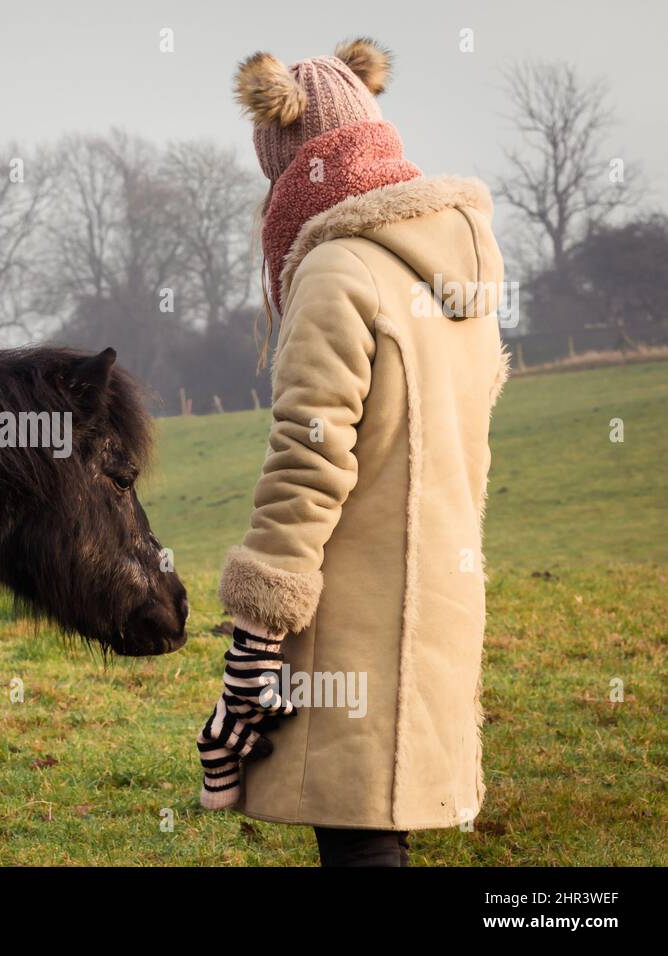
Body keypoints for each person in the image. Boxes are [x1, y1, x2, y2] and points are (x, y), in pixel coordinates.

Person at [195, 38, 512, 867]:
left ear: (288, 160)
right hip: (441, 593)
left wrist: (256, 632)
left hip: (357, 610)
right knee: (382, 819)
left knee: (361, 834)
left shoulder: (337, 270)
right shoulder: (456, 268)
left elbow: (310, 460)